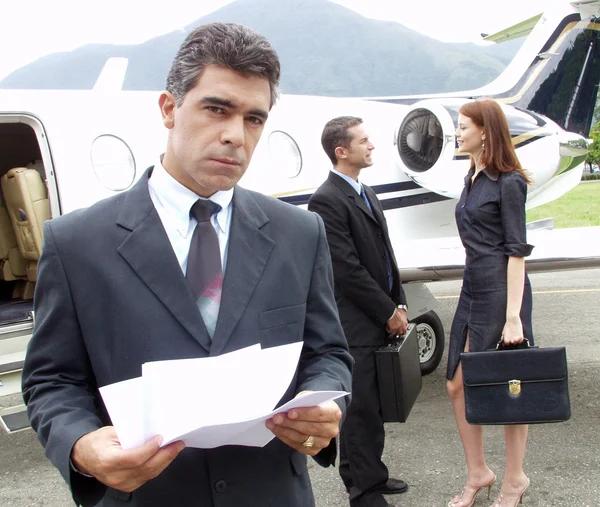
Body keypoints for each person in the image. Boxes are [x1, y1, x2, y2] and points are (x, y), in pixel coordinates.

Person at [21, 23, 353, 507]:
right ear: (169, 109)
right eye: (217, 109)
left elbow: (329, 354)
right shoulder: (76, 243)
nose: (235, 135)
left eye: (254, 119)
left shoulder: (299, 234)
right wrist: (79, 444)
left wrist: (326, 402)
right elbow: (52, 380)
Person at [308, 116, 409, 507]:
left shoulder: (365, 191)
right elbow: (346, 269)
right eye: (364, 141)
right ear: (341, 150)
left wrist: (398, 300)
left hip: (379, 315)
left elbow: (385, 255)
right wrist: (387, 312)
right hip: (356, 323)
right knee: (360, 408)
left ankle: (373, 474)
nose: (372, 146)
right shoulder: (327, 199)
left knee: (375, 404)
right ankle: (361, 490)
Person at [446, 98, 534, 507]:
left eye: (464, 126)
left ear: (485, 130)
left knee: (509, 387)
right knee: (456, 384)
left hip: (502, 291)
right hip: (472, 287)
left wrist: (513, 318)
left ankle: (515, 478)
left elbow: (516, 252)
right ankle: (478, 471)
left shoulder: (509, 181)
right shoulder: (471, 179)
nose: (458, 132)